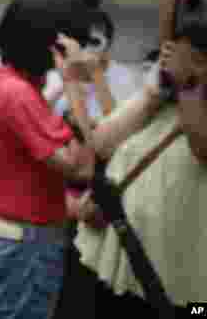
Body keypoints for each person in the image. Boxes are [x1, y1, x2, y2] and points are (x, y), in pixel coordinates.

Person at [0, 0, 97, 319]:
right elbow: (80, 168)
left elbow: (24, 127)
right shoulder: (17, 94)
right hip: (23, 240)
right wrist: (76, 84)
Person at [66, 20, 207, 316]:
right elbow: (101, 143)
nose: (172, 63)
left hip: (179, 280)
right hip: (114, 252)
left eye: (187, 57)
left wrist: (190, 85)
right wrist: (151, 94)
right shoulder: (162, 96)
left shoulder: (192, 101)